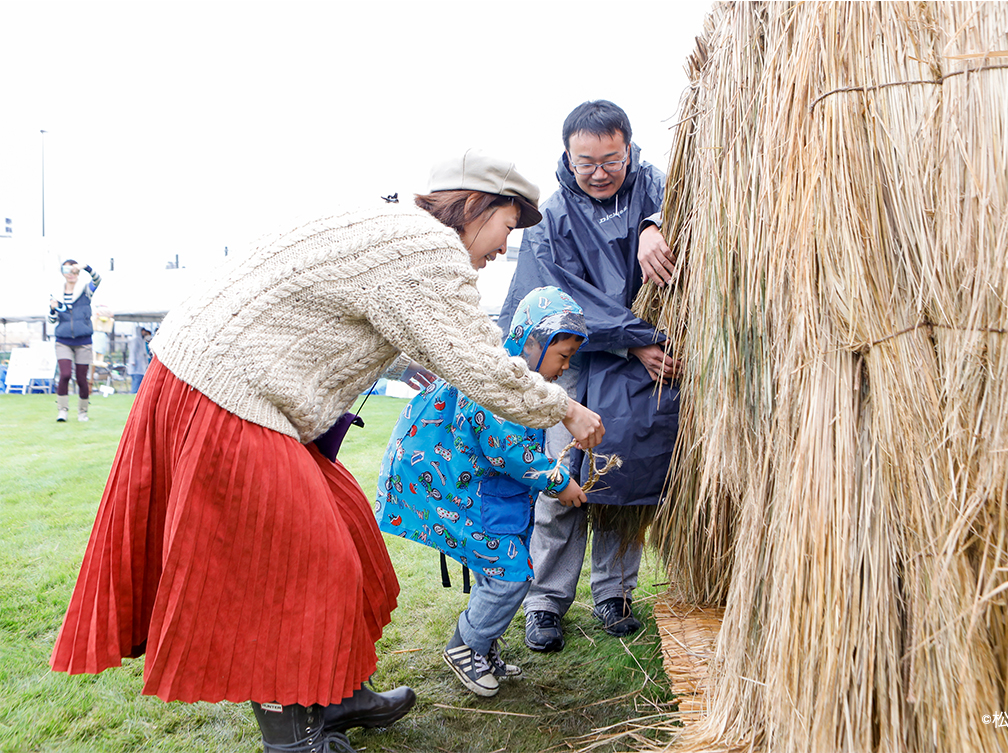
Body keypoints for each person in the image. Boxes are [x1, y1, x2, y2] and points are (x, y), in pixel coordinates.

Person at [50, 149, 604, 753]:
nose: (504, 246)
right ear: (477, 205)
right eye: (507, 225)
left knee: (347, 535)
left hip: (227, 388)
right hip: (228, 396)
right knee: (298, 567)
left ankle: (332, 689)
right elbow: (479, 364)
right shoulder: (426, 249)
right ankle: (293, 738)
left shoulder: (390, 228)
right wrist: (566, 409)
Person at [498, 100, 682, 652]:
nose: (600, 172)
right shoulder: (551, 218)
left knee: (625, 476)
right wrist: (637, 340)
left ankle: (615, 592)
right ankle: (545, 602)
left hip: (646, 350)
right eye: (586, 162)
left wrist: (656, 222)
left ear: (628, 148)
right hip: (581, 358)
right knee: (559, 477)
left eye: (611, 159)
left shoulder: (656, 187)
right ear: (567, 156)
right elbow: (558, 302)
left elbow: (697, 206)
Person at [377, 286, 588, 697]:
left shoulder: (521, 385)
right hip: (470, 499)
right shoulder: (496, 385)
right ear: (531, 343)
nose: (564, 368)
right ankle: (467, 646)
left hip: (491, 501)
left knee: (504, 572)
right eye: (562, 356)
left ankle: (484, 645)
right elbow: (507, 450)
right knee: (509, 579)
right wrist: (559, 481)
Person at [48, 260, 101, 422]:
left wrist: (85, 267)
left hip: (83, 341)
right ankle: (62, 410)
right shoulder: (57, 293)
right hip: (63, 341)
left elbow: (97, 280)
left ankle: (82, 412)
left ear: (78, 273)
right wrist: (52, 308)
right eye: (67, 270)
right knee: (64, 375)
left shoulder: (86, 291)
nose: (71, 273)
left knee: (81, 378)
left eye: (74, 270)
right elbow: (52, 320)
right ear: (63, 273)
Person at [126, 326, 152, 394]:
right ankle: (134, 392)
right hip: (136, 364)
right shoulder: (135, 340)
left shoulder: (142, 340)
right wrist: (133, 361)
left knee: (139, 379)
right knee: (136, 380)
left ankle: (136, 392)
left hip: (141, 364)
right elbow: (133, 351)